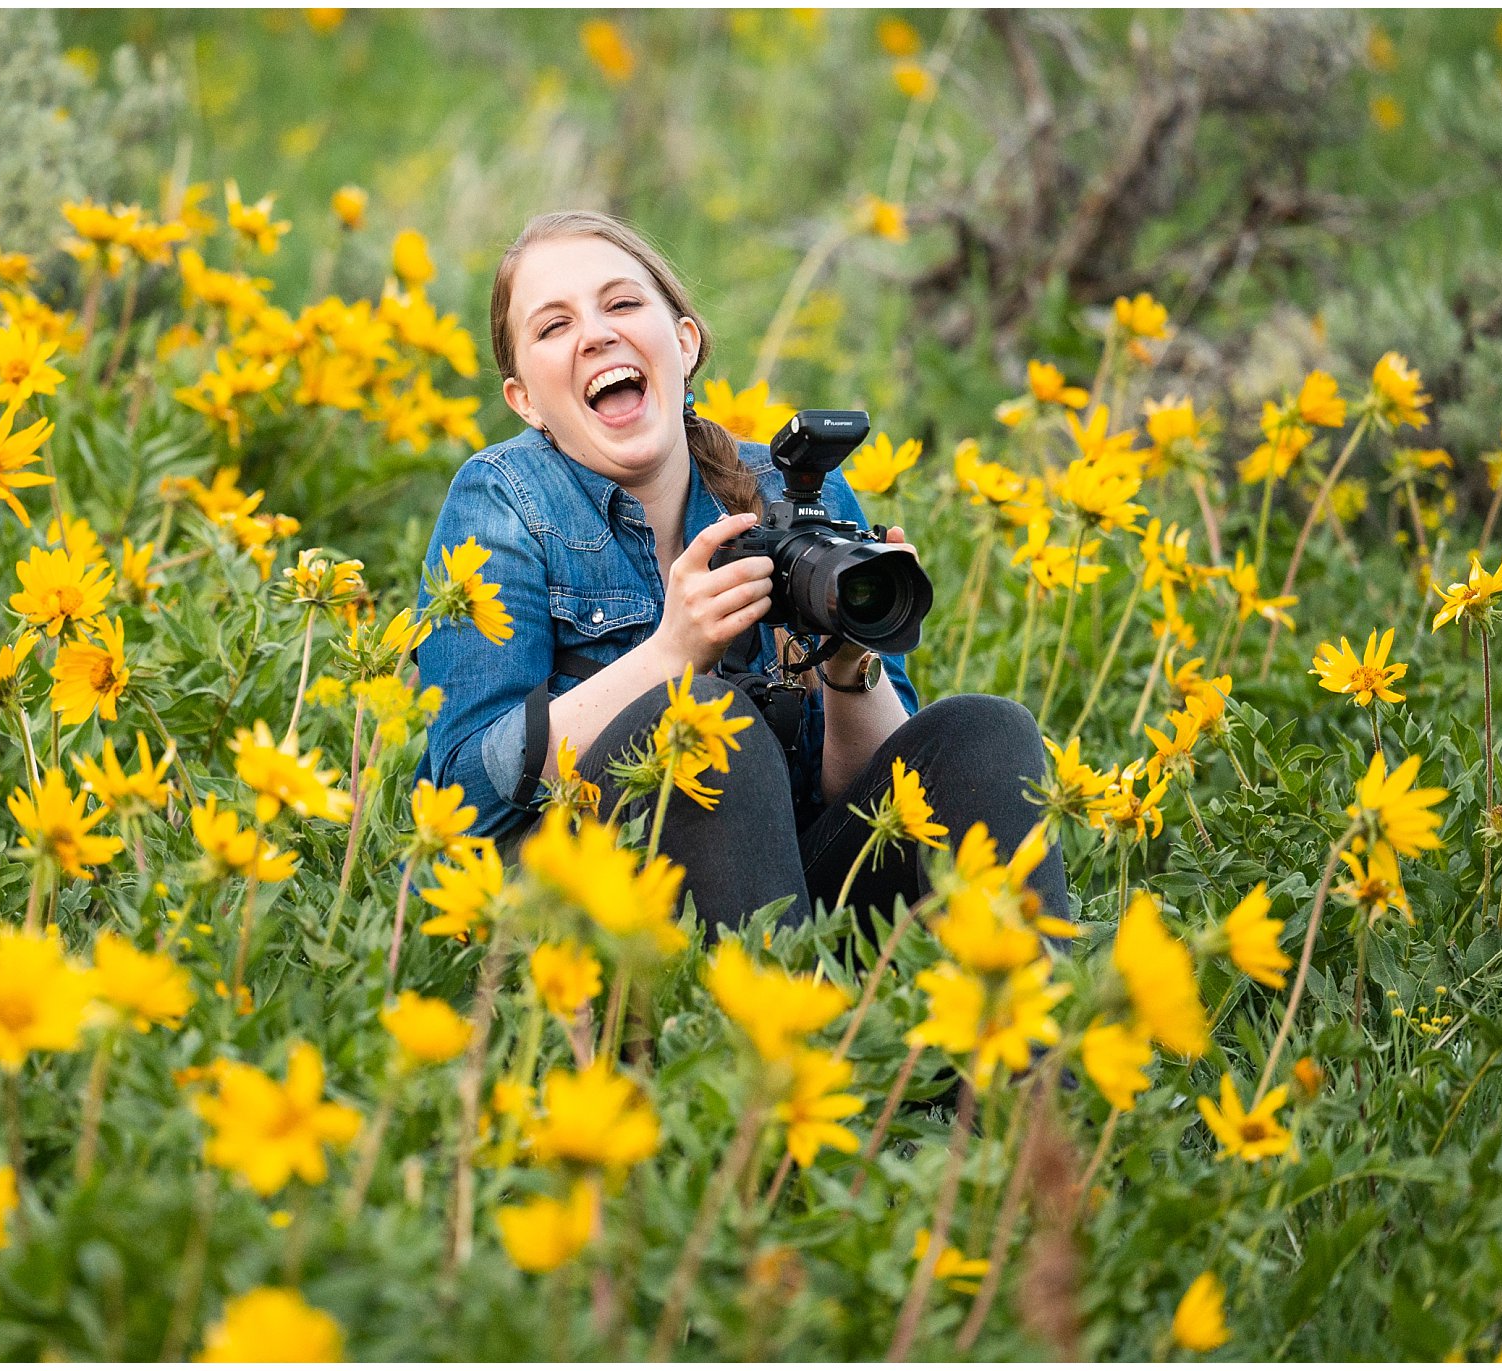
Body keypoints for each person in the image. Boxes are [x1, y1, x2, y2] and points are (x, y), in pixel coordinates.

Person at [412, 210, 1066, 933]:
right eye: (553, 326)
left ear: (684, 343)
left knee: (985, 732)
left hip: (790, 894)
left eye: (623, 303)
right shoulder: (502, 500)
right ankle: (767, 1036)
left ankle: (1019, 1034)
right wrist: (670, 654)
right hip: (587, 917)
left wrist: (851, 666)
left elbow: (882, 798)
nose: (596, 333)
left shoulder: (795, 491)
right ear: (525, 399)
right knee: (705, 722)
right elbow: (466, 798)